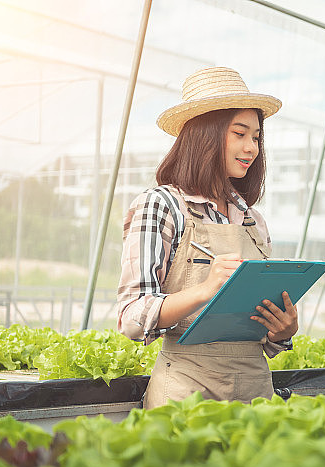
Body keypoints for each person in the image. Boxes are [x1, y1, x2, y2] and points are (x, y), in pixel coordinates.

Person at [117, 67, 296, 409]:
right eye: (240, 134)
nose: (252, 148)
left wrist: (281, 330)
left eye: (257, 137)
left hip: (255, 393)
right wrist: (204, 290)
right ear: (205, 136)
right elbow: (131, 317)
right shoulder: (162, 205)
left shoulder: (252, 220)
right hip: (186, 395)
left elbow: (261, 333)